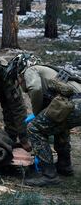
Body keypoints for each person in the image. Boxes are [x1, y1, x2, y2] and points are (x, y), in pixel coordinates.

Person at [7, 53, 81, 186]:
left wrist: (37, 112)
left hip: (74, 103)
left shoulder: (31, 70)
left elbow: (35, 88)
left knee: (34, 128)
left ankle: (49, 175)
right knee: (58, 122)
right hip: (75, 102)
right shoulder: (47, 71)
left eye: (18, 78)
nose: (19, 81)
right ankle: (64, 165)